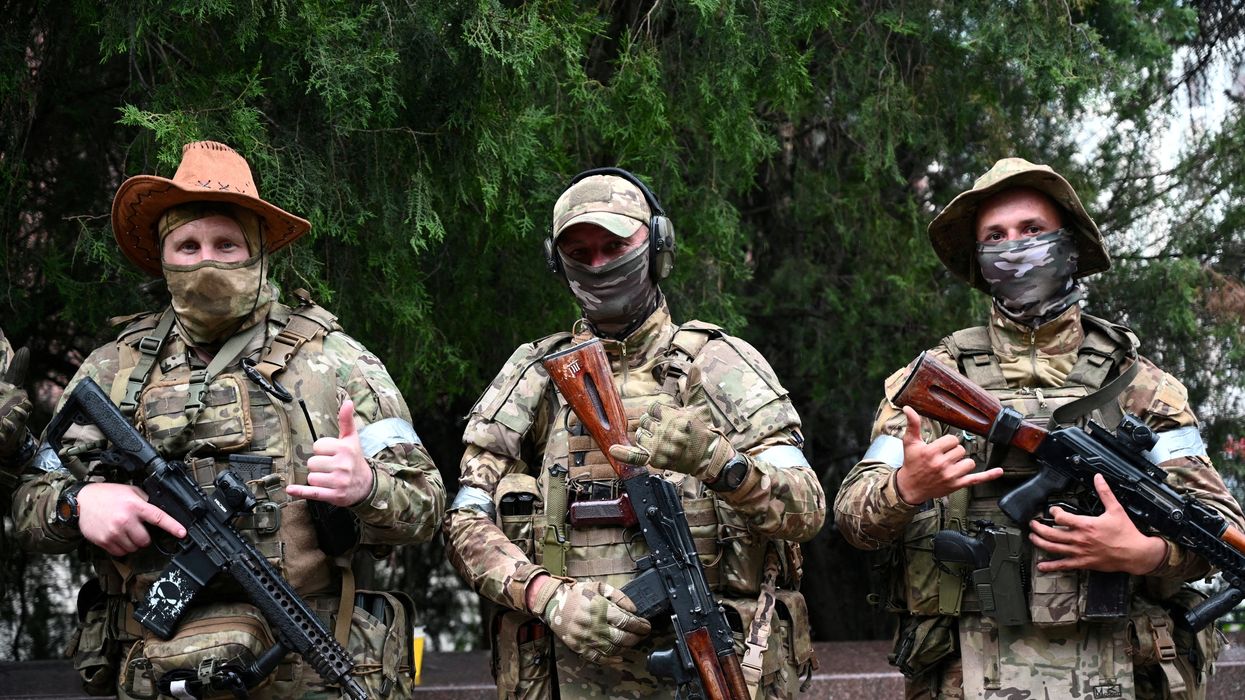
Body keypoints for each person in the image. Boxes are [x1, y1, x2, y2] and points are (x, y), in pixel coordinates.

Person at [13, 141, 444, 699]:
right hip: (153, 669)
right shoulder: (112, 369)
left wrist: (368, 488)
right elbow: (29, 503)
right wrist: (77, 505)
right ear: (163, 259)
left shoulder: (336, 361)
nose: (207, 261)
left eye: (227, 244)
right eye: (187, 246)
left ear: (259, 254)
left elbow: (428, 505)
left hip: (306, 670)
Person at [834, 157, 1245, 699]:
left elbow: (1218, 525)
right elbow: (852, 520)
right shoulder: (936, 382)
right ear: (980, 261)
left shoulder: (1143, 385)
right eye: (996, 236)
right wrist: (907, 488)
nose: (1016, 247)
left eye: (1033, 230)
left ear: (1068, 245)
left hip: (1127, 672)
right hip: (965, 674)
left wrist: (1145, 554)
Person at [444, 168, 825, 699]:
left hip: (704, 668)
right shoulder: (533, 377)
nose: (599, 264)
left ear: (658, 246)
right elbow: (466, 522)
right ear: (559, 264)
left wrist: (718, 461)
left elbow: (806, 509)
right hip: (566, 677)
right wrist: (547, 596)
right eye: (580, 252)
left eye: (615, 244)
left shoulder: (720, 366)